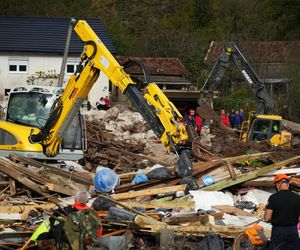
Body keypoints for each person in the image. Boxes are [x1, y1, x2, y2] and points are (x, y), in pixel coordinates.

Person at [264, 174, 300, 250]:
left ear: (278, 184)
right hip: (293, 230)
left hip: (278, 231)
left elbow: (267, 218)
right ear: (288, 184)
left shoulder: (273, 198)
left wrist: (275, 218)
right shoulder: (297, 197)